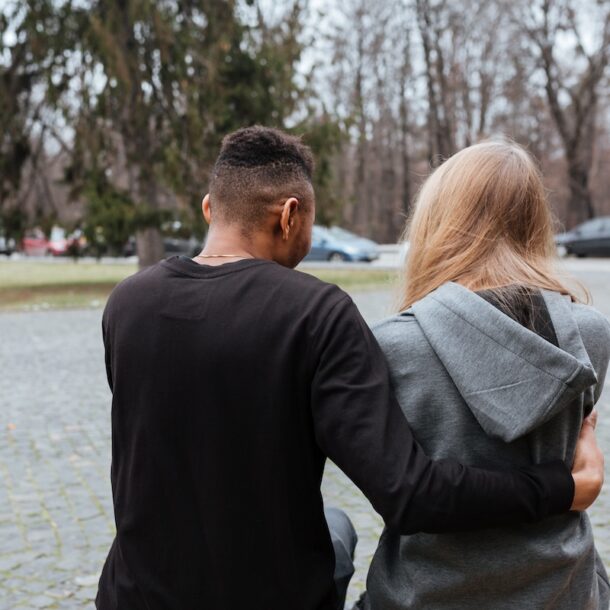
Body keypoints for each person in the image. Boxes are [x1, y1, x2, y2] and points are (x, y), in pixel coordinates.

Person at [95, 127, 604, 610]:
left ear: (210, 209)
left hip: (133, 593)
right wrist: (561, 486)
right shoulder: (314, 313)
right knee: (335, 528)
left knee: (336, 524)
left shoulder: (125, 304)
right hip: (271, 596)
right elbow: (411, 493)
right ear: (289, 215)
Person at [365, 140, 610, 609]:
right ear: (534, 221)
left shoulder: (392, 346)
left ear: (438, 223)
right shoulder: (591, 336)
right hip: (563, 591)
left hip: (425, 594)